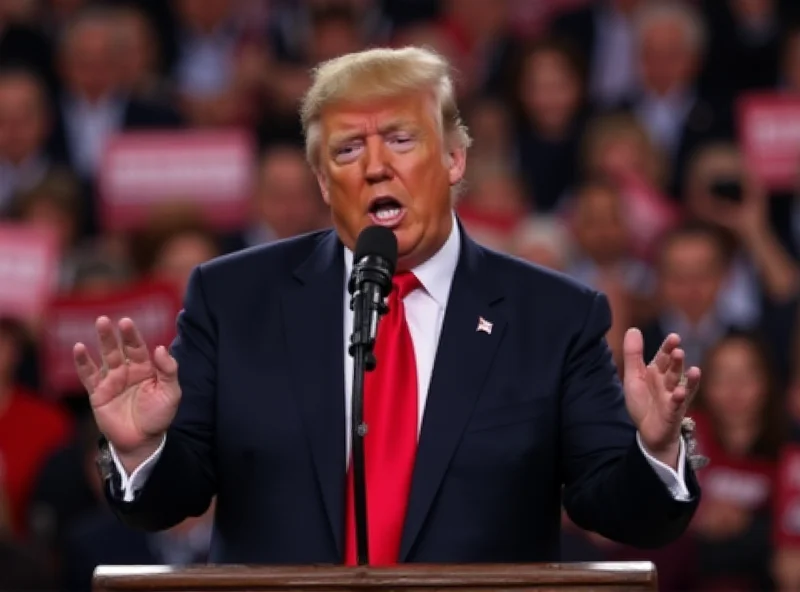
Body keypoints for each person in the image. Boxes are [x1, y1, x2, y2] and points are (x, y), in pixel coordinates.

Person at [73, 46, 702, 565]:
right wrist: (141, 452)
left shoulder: (554, 316)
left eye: (401, 140)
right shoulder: (234, 300)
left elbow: (621, 512)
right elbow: (170, 499)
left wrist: (655, 451)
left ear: (455, 159)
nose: (375, 168)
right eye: (347, 150)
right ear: (323, 182)